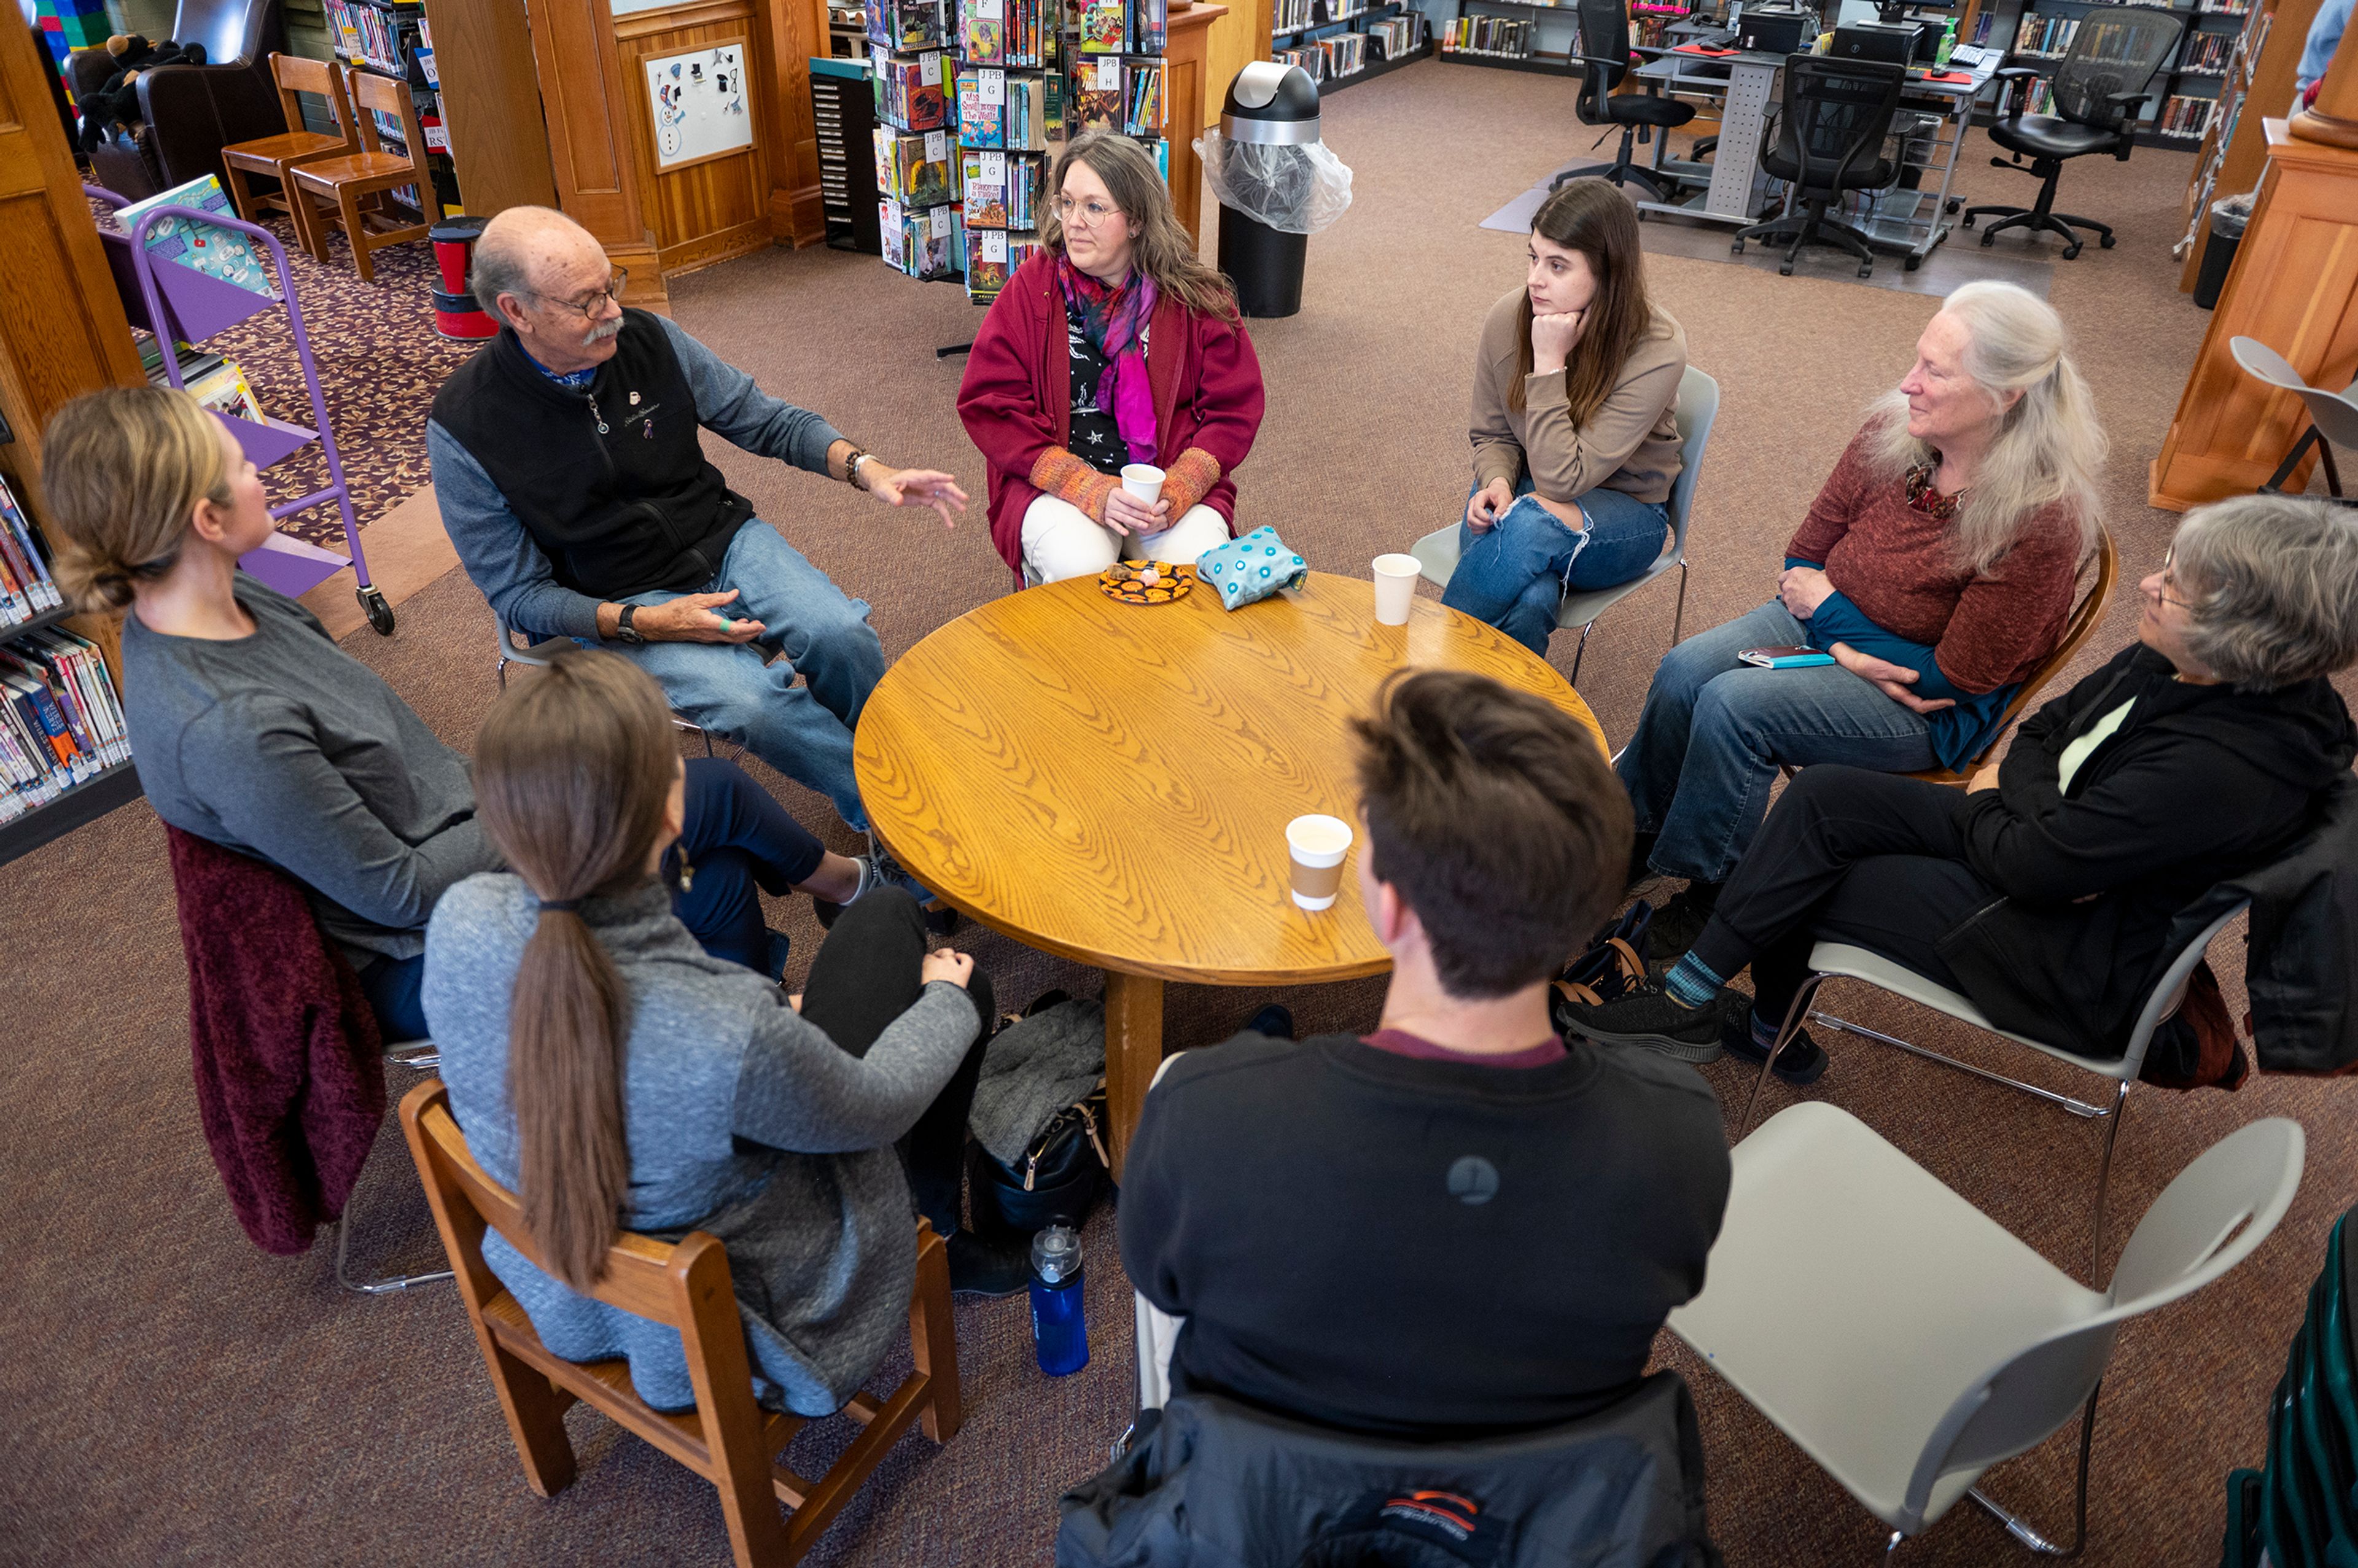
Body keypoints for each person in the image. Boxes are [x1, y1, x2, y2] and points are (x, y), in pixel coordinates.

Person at [40, 385, 895, 1044]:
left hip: (463, 823)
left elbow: (406, 774)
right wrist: (545, 806)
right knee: (697, 845)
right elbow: (397, 893)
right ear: (203, 518)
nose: (261, 469)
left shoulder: (238, 598)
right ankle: (775, 1012)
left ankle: (822, 945)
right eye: (240, 464)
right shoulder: (223, 725)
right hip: (424, 941)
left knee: (709, 812)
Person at [1119, 669, 1730, 1438]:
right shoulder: (1682, 1135)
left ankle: (1154, 1429)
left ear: (1391, 903)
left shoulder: (1205, 1112)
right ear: (1587, 915)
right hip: (1539, 1503)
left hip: (1268, 1496)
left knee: (1168, 1082)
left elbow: (1156, 1272)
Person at [1562, 495, 2358, 1079]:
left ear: (2252, 634)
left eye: (2178, 585)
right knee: (1824, 797)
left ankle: (1745, 1020)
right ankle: (1713, 1002)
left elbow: (2042, 866)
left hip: (2082, 948)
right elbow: (2042, 733)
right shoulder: (2180, 654)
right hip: (2043, 850)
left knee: (1818, 869)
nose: (2150, 583)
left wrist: (2005, 804)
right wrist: (2017, 805)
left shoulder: (2231, 768)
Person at [427, 652, 1025, 1422]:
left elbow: (652, 1053)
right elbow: (878, 1108)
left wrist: (771, 1026)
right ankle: (941, 1239)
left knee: (817, 908)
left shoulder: (461, 921)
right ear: (672, 814)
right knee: (946, 975)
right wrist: (945, 1002)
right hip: (755, 1323)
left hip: (562, 1288)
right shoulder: (718, 1026)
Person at [428, 206, 968, 834]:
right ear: (515, 311)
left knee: (840, 633)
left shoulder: (648, 339)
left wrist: (866, 469)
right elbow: (518, 594)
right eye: (585, 302)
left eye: (611, 286)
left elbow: (762, 418)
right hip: (619, 599)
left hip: (723, 537)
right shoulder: (465, 424)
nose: (612, 312)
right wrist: (645, 623)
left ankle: (904, 772)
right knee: (756, 704)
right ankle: (905, 826)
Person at [1617, 279, 2103, 958]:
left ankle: (1716, 896)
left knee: (1733, 707)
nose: (1909, 383)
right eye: (1918, 359)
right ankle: (1637, 839)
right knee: (1681, 673)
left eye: (1935, 371)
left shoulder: (2041, 519)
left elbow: (1950, 679)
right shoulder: (1894, 434)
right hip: (1832, 633)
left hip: (1923, 707)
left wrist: (1831, 616)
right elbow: (1803, 556)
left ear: (2005, 395)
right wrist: (1842, 635)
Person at [957, 131, 1267, 584]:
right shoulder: (1033, 288)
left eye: (1095, 207)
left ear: (1138, 220)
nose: (1074, 222)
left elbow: (1233, 409)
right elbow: (989, 403)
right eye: (1067, 203)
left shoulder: (1196, 297)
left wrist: (1182, 487)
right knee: (1080, 568)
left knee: (1192, 566)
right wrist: (1084, 486)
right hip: (1061, 486)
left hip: (1162, 491)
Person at [1439, 179, 1689, 657]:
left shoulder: (1656, 345)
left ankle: (1422, 674)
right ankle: (1501, 725)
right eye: (1533, 257)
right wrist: (1495, 479)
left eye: (1558, 266)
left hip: (1625, 514)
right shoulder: (1507, 317)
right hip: (1525, 489)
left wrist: (1550, 363)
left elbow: (1560, 481)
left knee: (1532, 524)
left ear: (1606, 273)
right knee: (1532, 599)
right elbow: (1493, 432)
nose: (1536, 279)